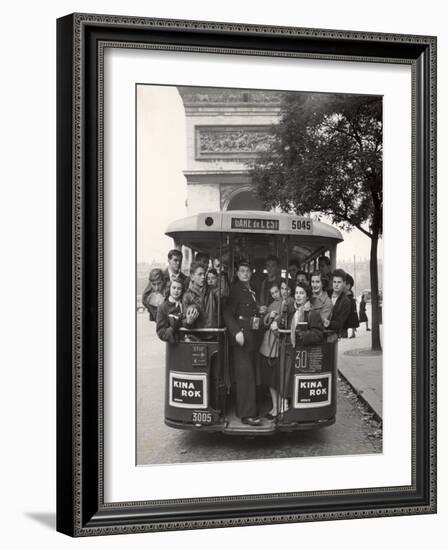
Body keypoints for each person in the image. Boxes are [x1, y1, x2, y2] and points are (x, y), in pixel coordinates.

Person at [223, 261, 261, 426]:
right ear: (237, 274)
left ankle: (248, 409)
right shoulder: (236, 290)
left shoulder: (250, 289)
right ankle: (247, 414)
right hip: (241, 337)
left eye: (248, 271)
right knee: (245, 375)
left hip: (251, 337)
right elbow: (227, 312)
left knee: (249, 374)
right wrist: (236, 331)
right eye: (242, 271)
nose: (245, 274)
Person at [259, 283, 283, 419]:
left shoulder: (286, 303)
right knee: (271, 379)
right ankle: (275, 407)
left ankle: (279, 407)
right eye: (272, 293)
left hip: (277, 345)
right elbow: (264, 322)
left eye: (276, 291)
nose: (275, 294)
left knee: (277, 379)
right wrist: (269, 315)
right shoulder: (272, 305)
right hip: (270, 346)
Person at [183, 262, 219, 329]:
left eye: (204, 274)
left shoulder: (212, 291)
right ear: (192, 277)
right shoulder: (187, 296)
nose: (203, 277)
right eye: (200, 274)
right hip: (196, 337)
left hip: (213, 334)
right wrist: (188, 322)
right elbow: (184, 321)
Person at [289, 282, 324, 347]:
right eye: (296, 293)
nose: (298, 296)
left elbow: (318, 335)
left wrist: (303, 335)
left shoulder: (313, 313)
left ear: (307, 296)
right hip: (293, 349)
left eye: (301, 293)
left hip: (307, 351)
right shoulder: (293, 311)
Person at [323, 269, 351, 338]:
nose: (336, 285)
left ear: (344, 283)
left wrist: (329, 323)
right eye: (334, 282)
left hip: (332, 335)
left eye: (339, 282)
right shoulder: (326, 294)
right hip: (318, 332)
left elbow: (340, 323)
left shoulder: (346, 301)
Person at [344, 273, 360, 338]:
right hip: (351, 309)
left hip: (350, 309)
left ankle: (350, 333)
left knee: (349, 320)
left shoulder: (348, 293)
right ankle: (351, 333)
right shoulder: (349, 293)